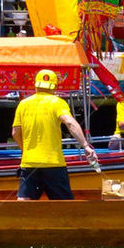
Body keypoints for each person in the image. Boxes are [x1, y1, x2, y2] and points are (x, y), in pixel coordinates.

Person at [11, 69, 98, 200]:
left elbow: (15, 132)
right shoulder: (58, 102)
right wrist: (85, 145)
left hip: (29, 164)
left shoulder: (23, 104)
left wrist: (25, 150)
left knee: (24, 203)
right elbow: (70, 123)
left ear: (36, 85)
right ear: (55, 86)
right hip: (54, 164)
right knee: (64, 207)